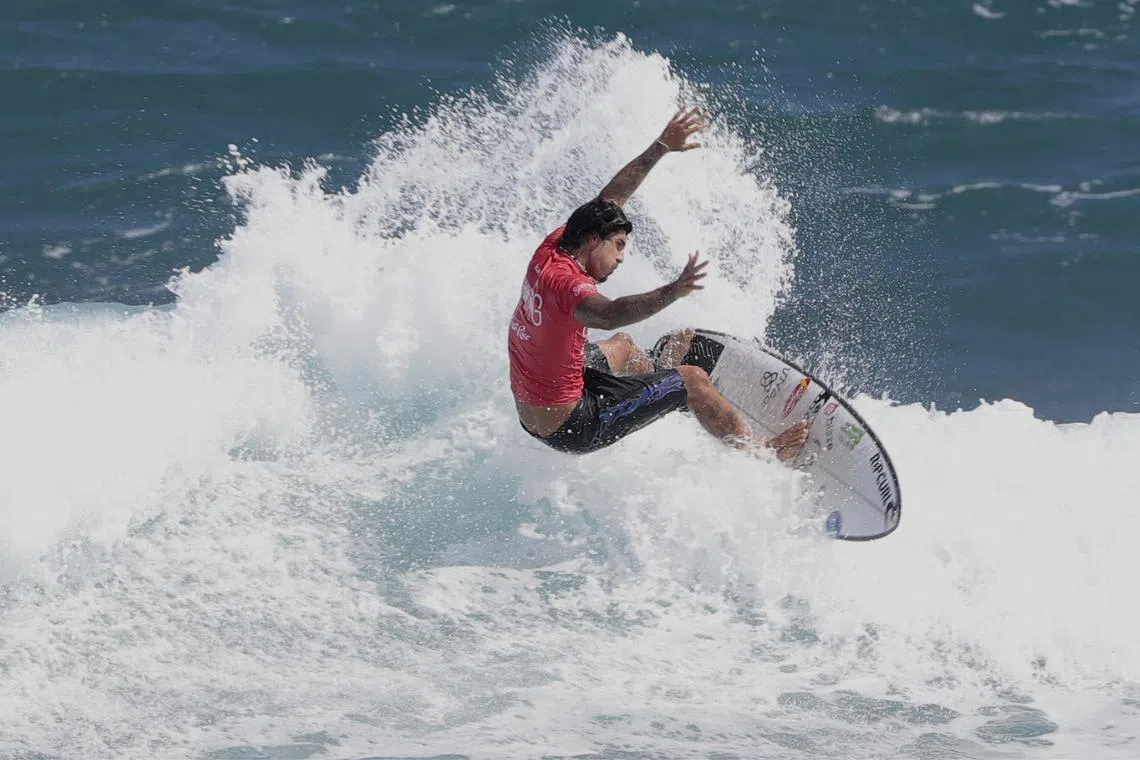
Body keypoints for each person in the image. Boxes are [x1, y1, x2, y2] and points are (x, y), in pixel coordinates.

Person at [507, 107, 809, 460]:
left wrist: (663, 145)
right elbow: (609, 314)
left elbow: (611, 199)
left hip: (535, 411)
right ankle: (762, 452)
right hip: (574, 425)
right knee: (693, 378)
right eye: (618, 246)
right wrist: (674, 289)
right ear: (593, 239)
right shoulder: (566, 284)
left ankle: (662, 391)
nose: (621, 258)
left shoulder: (555, 247)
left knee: (624, 347)